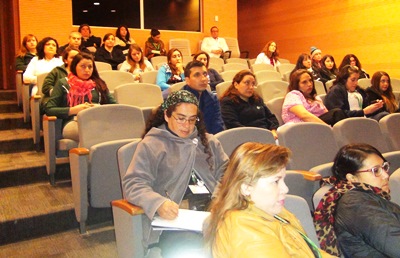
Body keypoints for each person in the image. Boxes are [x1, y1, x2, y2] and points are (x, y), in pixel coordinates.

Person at [122, 90, 229, 258]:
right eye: (180, 118)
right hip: (175, 218)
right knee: (196, 249)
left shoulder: (209, 142)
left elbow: (228, 174)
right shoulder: (152, 144)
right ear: (166, 115)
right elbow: (134, 183)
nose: (186, 126)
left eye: (192, 120)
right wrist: (158, 203)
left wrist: (219, 197)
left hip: (213, 212)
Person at [204, 142, 334, 258]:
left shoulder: (273, 212)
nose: (285, 189)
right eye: (276, 181)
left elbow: (313, 252)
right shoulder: (245, 229)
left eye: (283, 180)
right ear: (246, 187)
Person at [314, 143, 400, 257]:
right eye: (376, 170)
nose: (385, 175)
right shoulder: (355, 204)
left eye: (384, 167)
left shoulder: (365, 196)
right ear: (352, 178)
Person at [45, 53, 116, 141]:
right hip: (73, 122)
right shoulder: (63, 83)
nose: (87, 70)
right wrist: (73, 110)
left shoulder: (99, 84)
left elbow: (115, 106)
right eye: (83, 66)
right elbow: (49, 109)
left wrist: (99, 107)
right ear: (75, 67)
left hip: (98, 119)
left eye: (90, 67)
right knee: (94, 132)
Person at [220, 70, 279, 139]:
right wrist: (256, 135)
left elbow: (271, 117)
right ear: (236, 85)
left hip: (267, 135)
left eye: (253, 84)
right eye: (247, 83)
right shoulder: (228, 102)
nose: (251, 87)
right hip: (247, 138)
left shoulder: (257, 99)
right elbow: (232, 124)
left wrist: (273, 130)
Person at [282, 69, 347, 126]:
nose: (310, 84)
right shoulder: (293, 95)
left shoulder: (315, 98)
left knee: (338, 114)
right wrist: (327, 128)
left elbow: (326, 113)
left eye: (310, 81)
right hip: (301, 127)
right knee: (337, 113)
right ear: (296, 84)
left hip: (317, 125)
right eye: (304, 82)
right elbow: (304, 115)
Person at [182, 61, 225, 134]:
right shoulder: (179, 100)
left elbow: (218, 126)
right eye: (197, 75)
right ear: (187, 80)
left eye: (205, 74)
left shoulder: (213, 98)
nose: (203, 79)